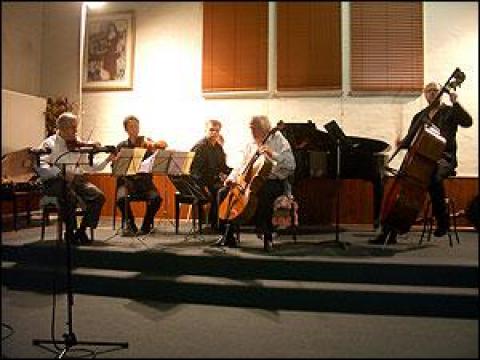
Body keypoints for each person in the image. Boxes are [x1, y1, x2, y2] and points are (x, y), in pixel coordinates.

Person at [370, 81, 473, 245]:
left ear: (441, 93)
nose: (432, 93)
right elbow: (411, 141)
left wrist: (456, 102)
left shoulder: (450, 112)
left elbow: (468, 122)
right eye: (429, 91)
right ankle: (389, 231)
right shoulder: (419, 116)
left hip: (444, 159)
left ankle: (442, 219)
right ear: (425, 95)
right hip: (423, 160)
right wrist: (401, 143)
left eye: (435, 90)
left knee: (432, 175)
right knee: (403, 187)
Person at [214, 115, 296, 251]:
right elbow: (242, 164)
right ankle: (226, 234)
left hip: (273, 180)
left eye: (255, 128)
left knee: (264, 195)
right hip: (249, 182)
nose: (252, 132)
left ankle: (267, 235)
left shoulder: (279, 140)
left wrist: (272, 154)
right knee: (222, 193)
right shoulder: (251, 143)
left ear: (265, 128)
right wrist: (231, 177)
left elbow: (291, 165)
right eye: (250, 128)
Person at [37, 112, 114, 245]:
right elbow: (39, 165)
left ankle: (82, 230)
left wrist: (107, 159)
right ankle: (70, 231)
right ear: (62, 128)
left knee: (98, 196)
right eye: (73, 127)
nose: (76, 131)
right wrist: (59, 173)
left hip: (76, 180)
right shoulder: (49, 143)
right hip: (55, 181)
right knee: (69, 196)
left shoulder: (77, 143)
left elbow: (89, 167)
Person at [114, 115, 167, 236]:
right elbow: (116, 168)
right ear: (126, 129)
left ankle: (146, 225)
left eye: (136, 126)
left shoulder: (146, 144)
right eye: (131, 126)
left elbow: (158, 153)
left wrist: (155, 149)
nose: (135, 129)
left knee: (156, 199)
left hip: (144, 182)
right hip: (127, 182)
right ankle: (130, 224)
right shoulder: (121, 146)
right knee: (121, 199)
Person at [190, 119, 232, 231]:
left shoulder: (218, 147)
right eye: (211, 130)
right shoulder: (200, 147)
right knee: (221, 191)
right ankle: (218, 224)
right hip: (200, 183)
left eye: (217, 131)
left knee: (229, 189)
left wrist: (236, 172)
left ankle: (224, 222)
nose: (214, 133)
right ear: (205, 130)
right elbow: (194, 172)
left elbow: (224, 167)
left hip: (213, 181)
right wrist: (204, 187)